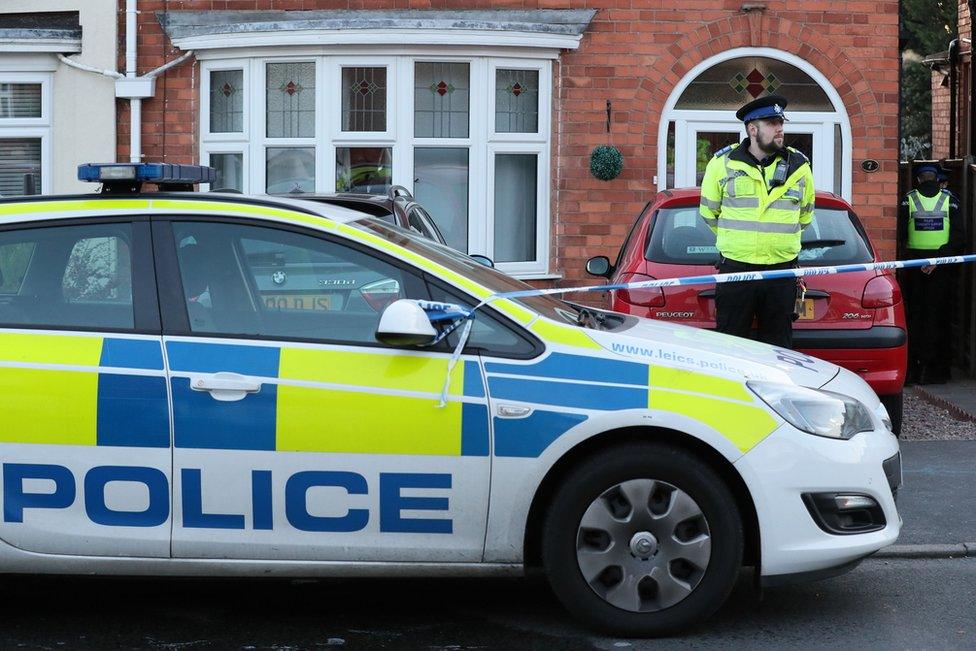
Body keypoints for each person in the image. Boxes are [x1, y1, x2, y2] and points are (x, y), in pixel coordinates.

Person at [698, 95, 815, 348]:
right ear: (753, 129)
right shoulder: (722, 164)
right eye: (772, 123)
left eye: (781, 122)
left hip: (781, 271)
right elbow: (709, 213)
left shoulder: (799, 166)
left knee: (779, 347)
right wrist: (741, 241)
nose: (780, 128)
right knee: (731, 346)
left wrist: (775, 242)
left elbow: (805, 215)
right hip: (736, 271)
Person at [899, 164, 963, 384]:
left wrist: (911, 256)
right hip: (941, 267)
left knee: (915, 316)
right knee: (939, 317)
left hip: (915, 265)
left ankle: (913, 370)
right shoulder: (950, 200)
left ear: (918, 180)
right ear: (937, 180)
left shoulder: (908, 199)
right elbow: (958, 236)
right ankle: (936, 371)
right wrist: (938, 260)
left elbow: (899, 233)